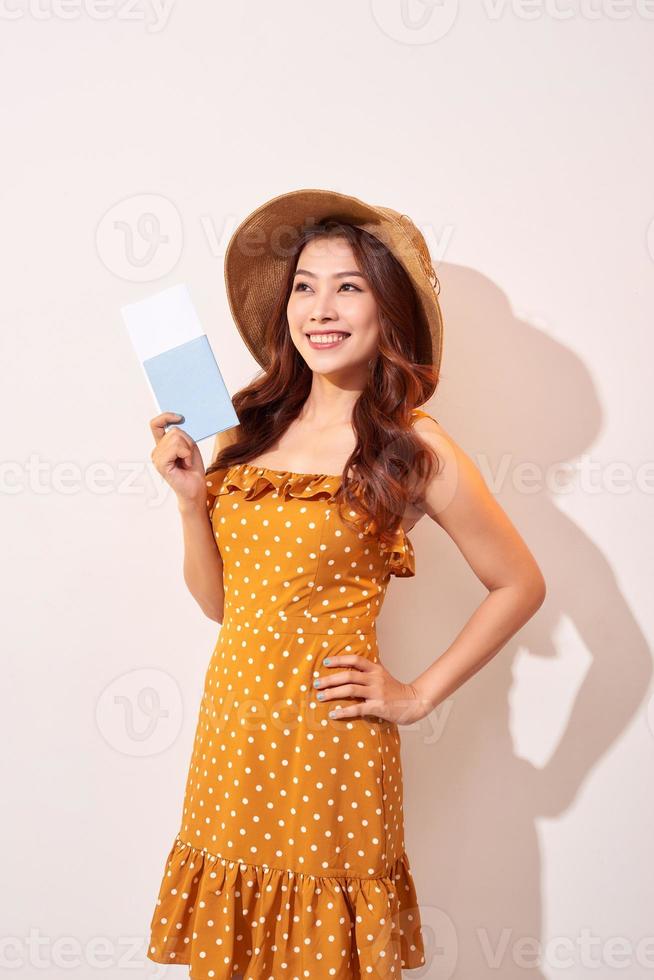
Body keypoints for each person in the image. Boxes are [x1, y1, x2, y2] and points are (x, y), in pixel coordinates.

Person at [145, 189, 546, 980]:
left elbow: (519, 583)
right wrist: (193, 504)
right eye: (305, 286)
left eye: (349, 287)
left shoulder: (411, 445)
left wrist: (417, 695)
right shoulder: (247, 427)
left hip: (331, 748)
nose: (321, 309)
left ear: (386, 309)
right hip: (234, 736)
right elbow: (223, 605)